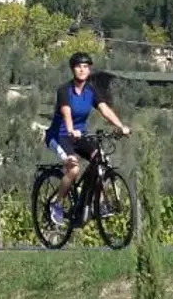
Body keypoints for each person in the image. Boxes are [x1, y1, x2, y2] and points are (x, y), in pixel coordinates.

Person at [42, 51, 130, 225]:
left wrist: (121, 127)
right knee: (74, 169)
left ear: (89, 70)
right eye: (78, 66)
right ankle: (57, 204)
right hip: (59, 136)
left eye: (85, 67)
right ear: (72, 69)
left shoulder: (91, 91)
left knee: (100, 160)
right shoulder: (64, 90)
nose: (82, 70)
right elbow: (66, 112)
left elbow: (104, 110)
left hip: (79, 136)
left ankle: (95, 203)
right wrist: (70, 129)